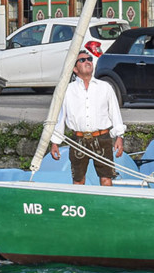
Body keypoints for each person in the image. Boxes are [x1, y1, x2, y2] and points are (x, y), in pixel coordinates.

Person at [49, 51, 126, 186]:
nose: (87, 61)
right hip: (78, 140)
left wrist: (119, 136)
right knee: (78, 180)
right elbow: (60, 117)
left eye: (89, 59)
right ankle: (80, 205)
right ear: (75, 69)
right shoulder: (67, 90)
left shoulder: (105, 87)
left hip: (102, 138)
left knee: (106, 178)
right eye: (82, 60)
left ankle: (106, 206)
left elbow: (115, 113)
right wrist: (55, 142)